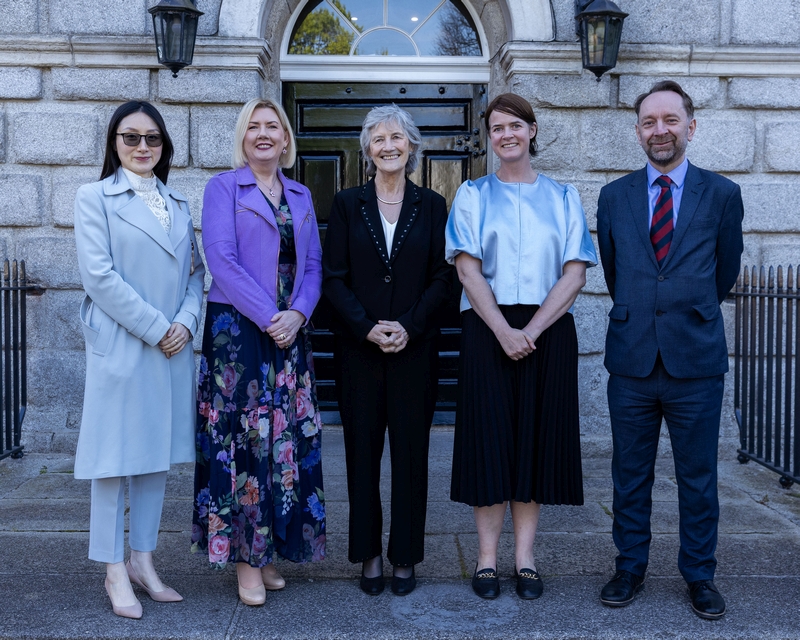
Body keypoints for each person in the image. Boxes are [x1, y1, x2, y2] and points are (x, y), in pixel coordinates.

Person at [596, 80, 744, 620]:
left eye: (670, 120)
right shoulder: (613, 196)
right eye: (649, 122)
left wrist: (686, 311)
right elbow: (615, 273)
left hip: (696, 359)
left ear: (690, 126)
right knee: (629, 473)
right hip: (632, 358)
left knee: (698, 476)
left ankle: (699, 574)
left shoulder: (723, 194)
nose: (660, 130)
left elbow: (723, 273)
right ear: (638, 131)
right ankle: (629, 566)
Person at [446, 93, 596, 601]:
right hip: (486, 330)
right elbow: (467, 268)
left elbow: (575, 272)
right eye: (496, 128)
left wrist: (530, 331)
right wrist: (504, 331)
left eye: (515, 126)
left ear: (532, 131)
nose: (506, 134)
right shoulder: (471, 194)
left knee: (532, 443)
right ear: (490, 138)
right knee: (490, 444)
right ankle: (486, 560)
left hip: (547, 329)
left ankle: (525, 558)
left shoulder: (563, 196)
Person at [73, 101, 205, 619]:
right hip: (126, 346)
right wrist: (157, 328)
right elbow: (99, 277)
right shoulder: (94, 198)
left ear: (164, 146)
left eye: (152, 138)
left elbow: (196, 273)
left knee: (154, 458)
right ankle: (111, 570)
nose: (143, 147)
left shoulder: (178, 203)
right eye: (131, 138)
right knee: (113, 461)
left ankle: (142, 562)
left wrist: (187, 324)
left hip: (172, 347)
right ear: (114, 143)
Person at [191, 98, 325, 607]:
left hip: (290, 335)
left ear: (286, 139)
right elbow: (221, 261)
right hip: (240, 334)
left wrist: (298, 315)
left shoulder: (302, 194)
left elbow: (312, 265)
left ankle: (267, 551)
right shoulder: (223, 188)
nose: (264, 134)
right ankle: (246, 562)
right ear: (243, 138)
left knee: (282, 443)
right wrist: (271, 315)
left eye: (273, 126)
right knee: (245, 444)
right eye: (254, 127)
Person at [322, 104, 451, 597]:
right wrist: (368, 327)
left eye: (397, 137)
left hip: (415, 351)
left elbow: (444, 276)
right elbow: (333, 279)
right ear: (367, 150)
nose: (388, 145)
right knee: (361, 455)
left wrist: (410, 326)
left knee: (412, 457)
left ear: (412, 147)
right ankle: (369, 554)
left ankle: (404, 557)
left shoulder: (434, 205)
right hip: (359, 351)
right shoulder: (347, 203)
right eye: (378, 139)